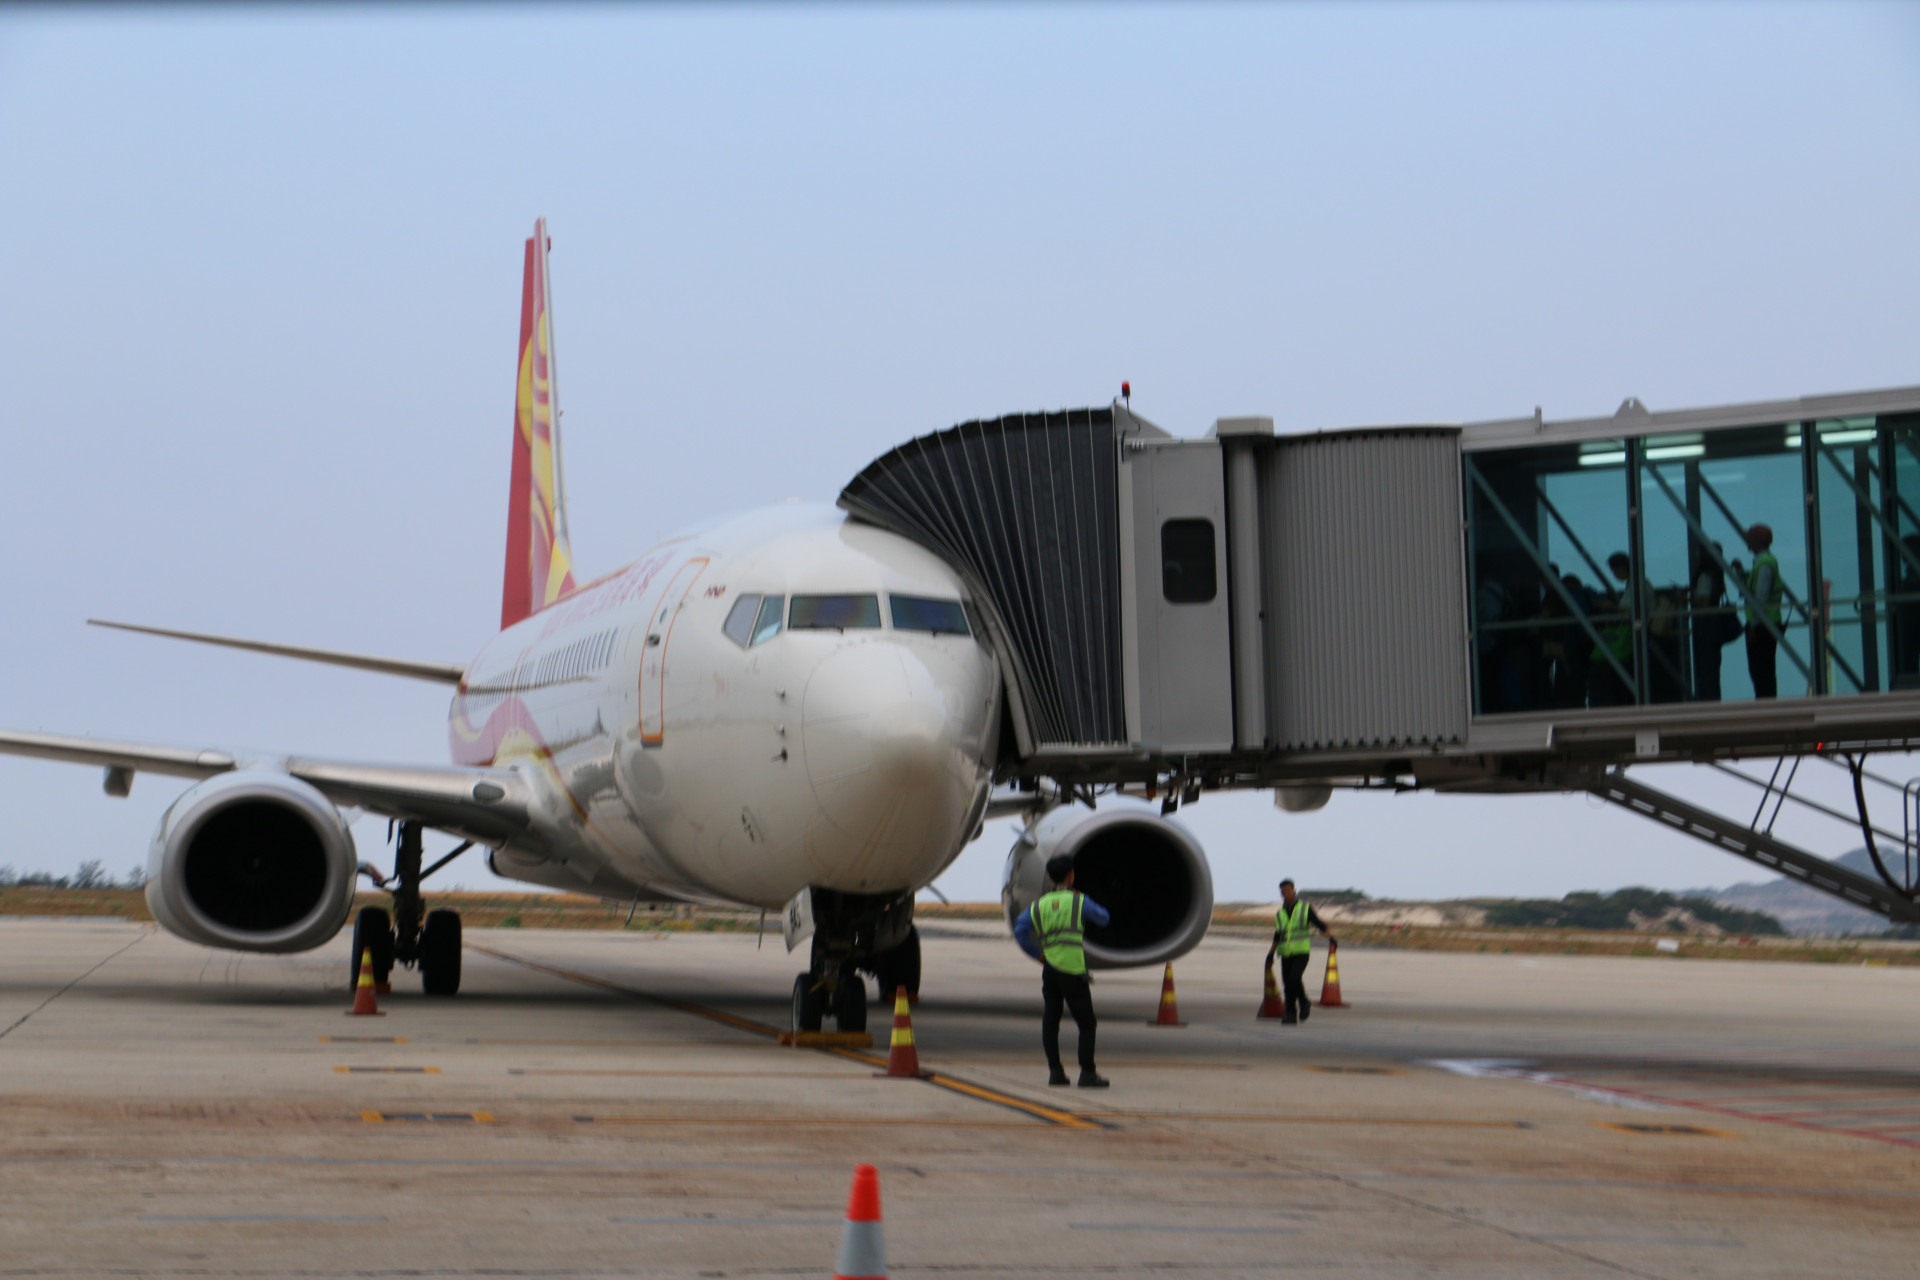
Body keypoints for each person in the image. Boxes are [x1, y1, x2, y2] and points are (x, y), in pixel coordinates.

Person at [1012, 854, 1111, 1087]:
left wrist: (1038, 955)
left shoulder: (1040, 905)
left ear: (1048, 877)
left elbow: (1020, 931)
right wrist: (1082, 899)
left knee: (1051, 1020)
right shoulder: (1079, 902)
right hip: (1073, 970)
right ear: (1071, 876)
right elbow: (1104, 918)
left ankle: (1055, 1072)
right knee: (1087, 1023)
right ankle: (1087, 1073)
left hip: (1050, 970)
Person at [1262, 879, 1335, 1025]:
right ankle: (1290, 1014)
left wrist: (1331, 938)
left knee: (1293, 979)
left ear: (1294, 891)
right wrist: (1271, 954)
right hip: (1285, 953)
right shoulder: (1280, 913)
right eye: (1283, 892)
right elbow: (1278, 934)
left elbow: (1318, 923)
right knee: (1288, 984)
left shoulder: (1304, 908)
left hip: (1301, 952)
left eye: (1288, 890)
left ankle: (1303, 1002)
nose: (1286, 894)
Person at [1735, 524, 1785, 699]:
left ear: (1757, 541)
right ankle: (1767, 708)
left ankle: (1766, 709)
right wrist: (1741, 573)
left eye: (1749, 538)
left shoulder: (1764, 565)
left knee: (1761, 673)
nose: (1746, 541)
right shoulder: (1764, 563)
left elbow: (1760, 600)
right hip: (1766, 624)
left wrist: (1754, 627)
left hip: (1762, 627)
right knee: (1762, 673)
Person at [1689, 541, 1729, 702]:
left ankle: (1708, 701)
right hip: (1714, 626)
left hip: (1705, 626)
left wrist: (1688, 598)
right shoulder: (1717, 575)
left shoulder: (1705, 576)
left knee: (1706, 669)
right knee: (1712, 668)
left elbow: (1704, 601)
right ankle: (1714, 700)